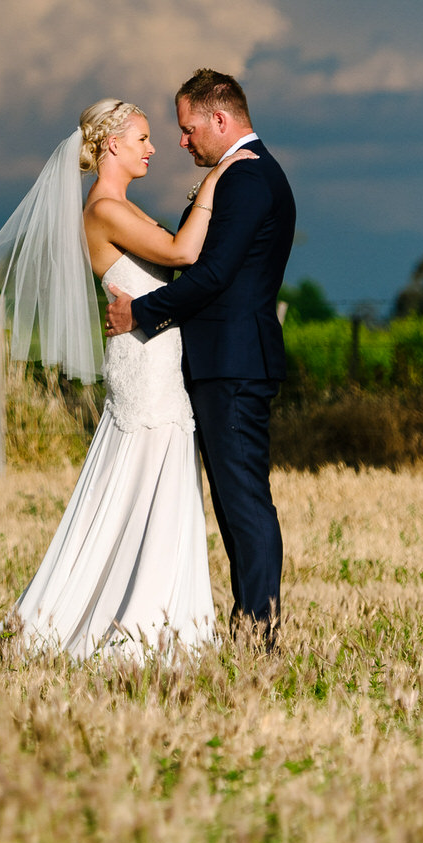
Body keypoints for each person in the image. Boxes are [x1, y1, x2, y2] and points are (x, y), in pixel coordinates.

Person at [0, 93, 255, 661]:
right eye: (142, 139)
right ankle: (139, 623)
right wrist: (219, 178)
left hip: (156, 358)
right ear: (112, 145)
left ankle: (162, 616)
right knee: (141, 474)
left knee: (155, 479)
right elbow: (183, 253)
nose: (154, 148)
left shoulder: (123, 209)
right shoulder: (105, 211)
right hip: (145, 367)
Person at [105, 68, 296, 643]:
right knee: (234, 500)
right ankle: (250, 619)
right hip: (228, 361)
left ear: (220, 119)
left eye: (188, 130)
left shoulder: (247, 178)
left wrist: (138, 314)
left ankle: (259, 628)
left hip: (233, 364)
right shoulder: (241, 173)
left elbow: (211, 275)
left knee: (243, 501)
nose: (182, 142)